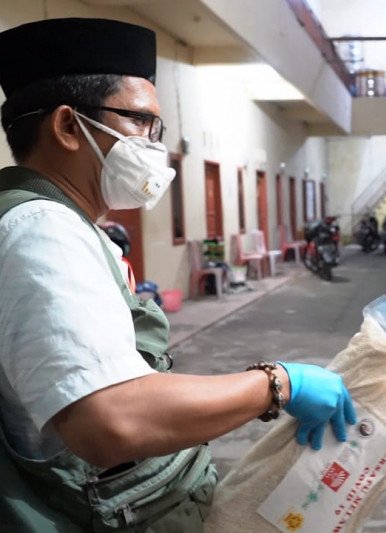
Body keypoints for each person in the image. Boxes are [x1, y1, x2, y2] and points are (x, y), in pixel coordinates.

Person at [0, 18, 355, 530]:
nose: (153, 144)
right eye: (141, 121)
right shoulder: (41, 229)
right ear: (68, 127)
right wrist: (279, 384)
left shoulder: (65, 222)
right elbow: (112, 419)